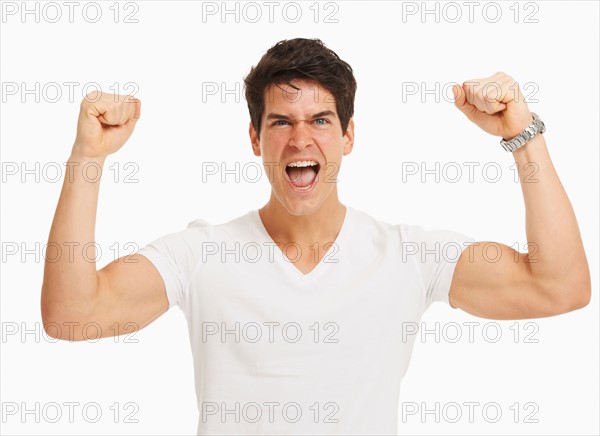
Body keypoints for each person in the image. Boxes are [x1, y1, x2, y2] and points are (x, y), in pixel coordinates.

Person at [41, 38, 591, 434]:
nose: (301, 139)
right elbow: (72, 315)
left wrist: (522, 135)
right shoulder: (200, 255)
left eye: (321, 120)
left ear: (349, 136)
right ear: (255, 138)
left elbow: (559, 287)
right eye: (281, 121)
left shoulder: (409, 256)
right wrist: (88, 157)